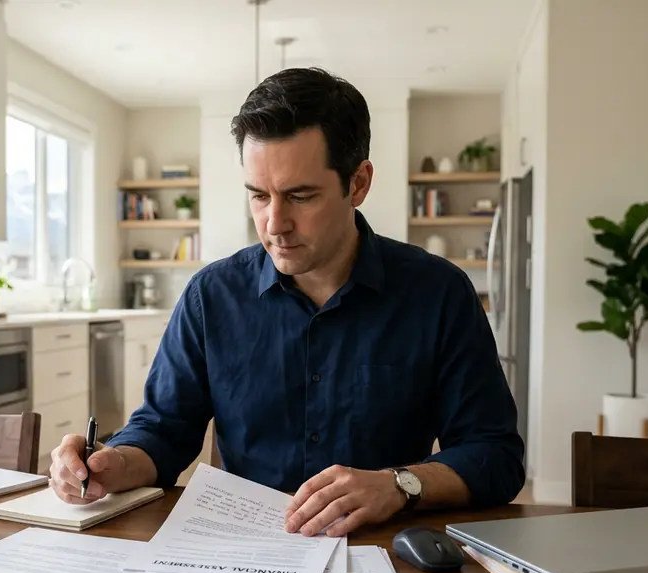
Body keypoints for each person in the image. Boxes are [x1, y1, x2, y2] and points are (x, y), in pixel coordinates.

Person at [48, 67, 525, 537]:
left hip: (383, 555)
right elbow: (162, 429)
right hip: (242, 554)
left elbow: (495, 455)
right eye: (258, 195)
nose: (274, 223)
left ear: (358, 184)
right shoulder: (211, 297)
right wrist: (113, 463)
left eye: (300, 196)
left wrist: (399, 484)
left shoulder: (437, 293)